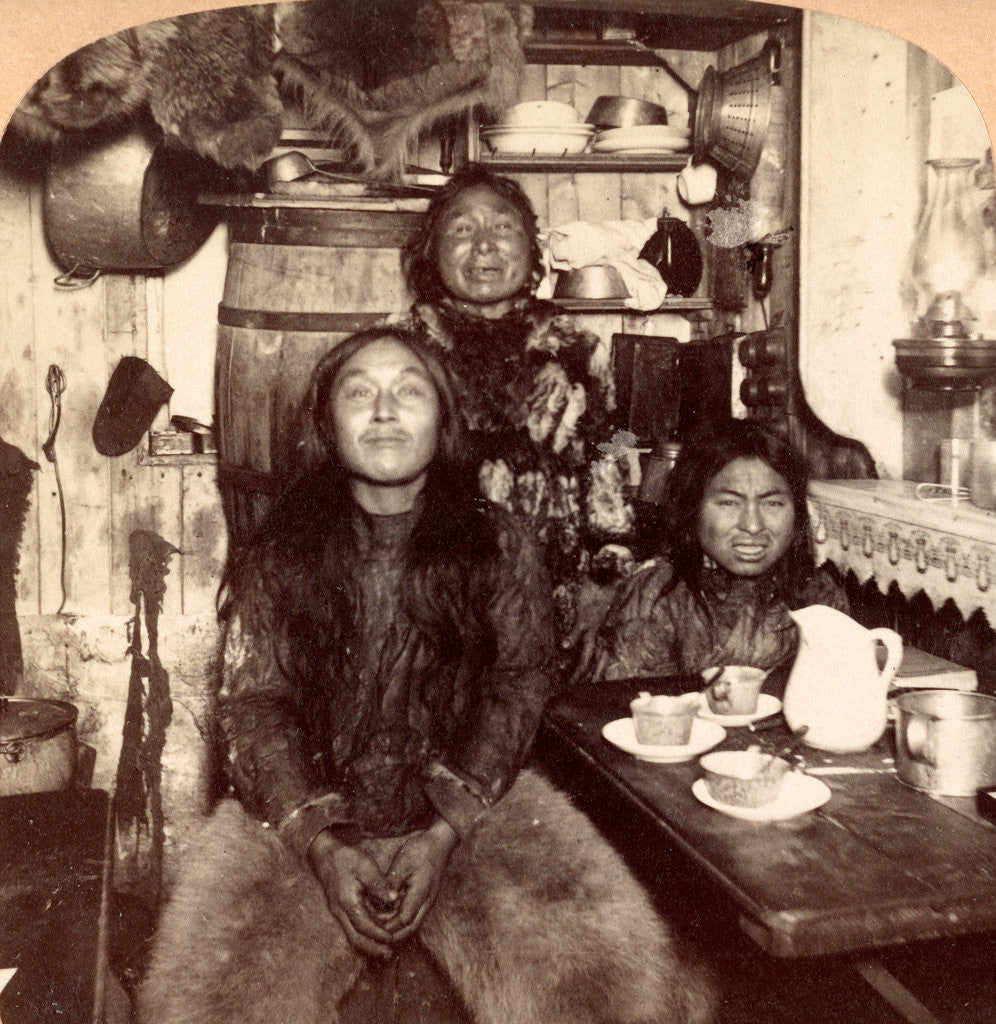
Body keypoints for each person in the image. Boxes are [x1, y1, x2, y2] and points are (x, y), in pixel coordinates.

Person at [138, 327, 716, 1024]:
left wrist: (444, 834)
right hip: (298, 820)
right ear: (327, 422)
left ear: (442, 420)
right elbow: (256, 706)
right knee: (196, 1008)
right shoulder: (282, 549)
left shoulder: (498, 541)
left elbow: (518, 683)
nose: (384, 411)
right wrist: (322, 849)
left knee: (621, 993)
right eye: (360, 394)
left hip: (476, 808)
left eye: (409, 392)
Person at [394, 164, 638, 642]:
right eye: (462, 229)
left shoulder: (577, 347)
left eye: (504, 227)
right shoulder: (401, 351)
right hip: (432, 602)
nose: (484, 245)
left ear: (532, 250)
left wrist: (607, 577)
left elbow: (611, 459)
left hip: (552, 599)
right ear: (431, 252)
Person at [578, 419, 849, 690]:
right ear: (692, 508)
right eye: (730, 502)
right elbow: (630, 714)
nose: (753, 525)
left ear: (797, 513)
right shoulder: (659, 599)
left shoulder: (818, 595)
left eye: (772, 503)